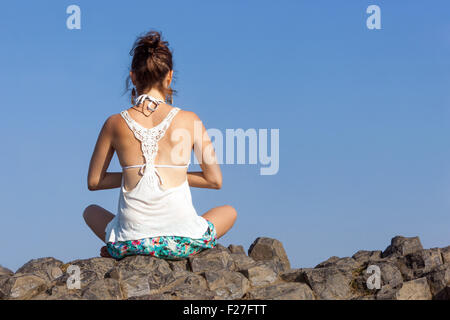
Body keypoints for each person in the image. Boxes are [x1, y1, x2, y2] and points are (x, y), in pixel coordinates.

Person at [83, 30, 237, 260]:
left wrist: (133, 175)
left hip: (130, 242)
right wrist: (175, 173)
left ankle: (122, 247)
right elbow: (215, 180)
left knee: (90, 211)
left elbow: (94, 182)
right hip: (182, 242)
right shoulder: (190, 120)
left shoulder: (114, 123)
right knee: (229, 212)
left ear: (133, 77)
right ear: (169, 77)